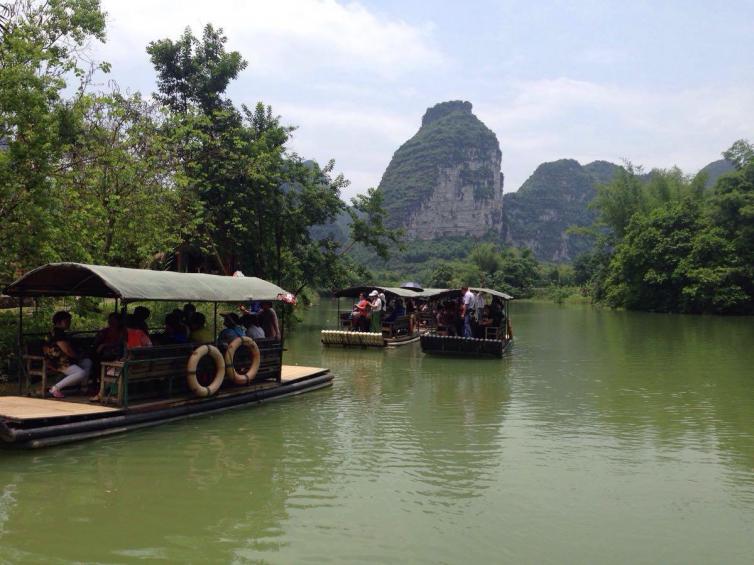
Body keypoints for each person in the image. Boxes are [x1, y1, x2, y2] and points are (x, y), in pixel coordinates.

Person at [44, 311, 93, 399]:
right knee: (81, 373)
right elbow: (67, 350)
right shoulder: (58, 333)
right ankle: (55, 388)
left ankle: (84, 387)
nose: (69, 323)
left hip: (62, 360)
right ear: (59, 322)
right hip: (58, 362)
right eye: (67, 321)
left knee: (87, 362)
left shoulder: (58, 332)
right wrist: (77, 356)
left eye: (69, 321)